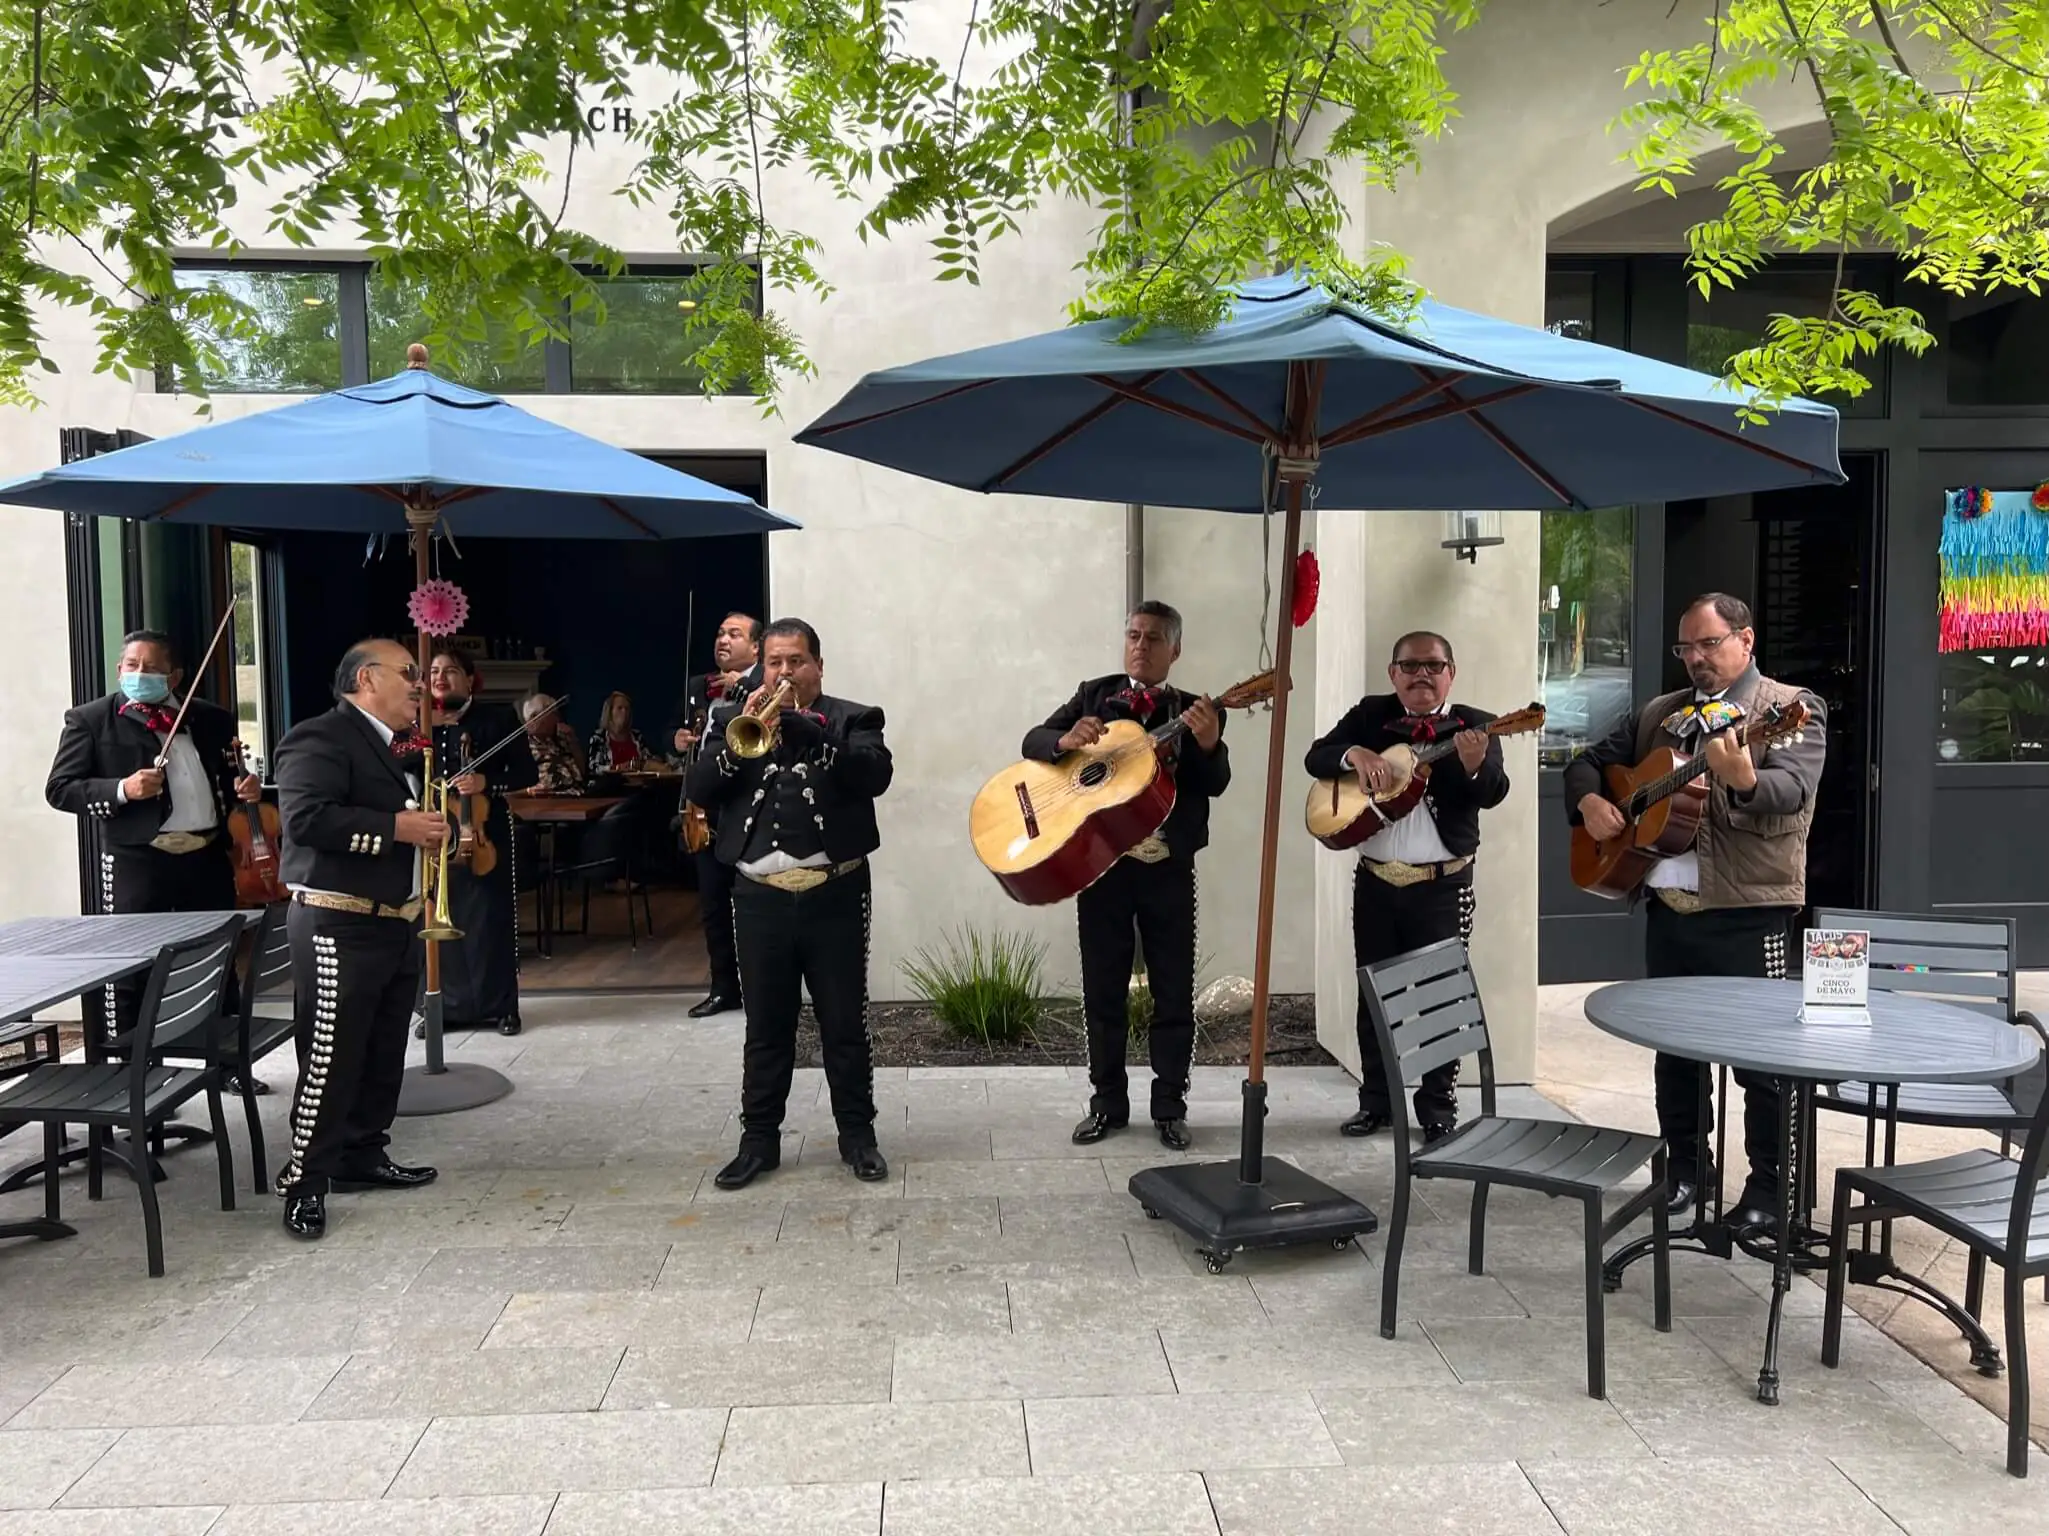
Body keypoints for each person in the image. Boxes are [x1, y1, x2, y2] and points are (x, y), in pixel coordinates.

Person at [1563, 592, 1827, 1231]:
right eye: (1688, 647)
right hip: (1670, 911)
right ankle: (1685, 1172)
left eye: (1710, 644)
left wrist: (1742, 779)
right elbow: (1587, 761)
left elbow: (1793, 790)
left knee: (1762, 1063)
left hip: (1747, 913)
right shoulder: (1661, 712)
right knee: (1674, 1054)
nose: (1698, 659)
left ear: (1746, 640)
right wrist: (1590, 805)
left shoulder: (1789, 709)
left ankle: (1771, 1191)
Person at [687, 617, 891, 1190]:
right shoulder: (732, 718)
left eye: (795, 662)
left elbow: (876, 775)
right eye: (774, 662)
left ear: (818, 667)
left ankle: (858, 1137)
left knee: (844, 1023)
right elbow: (700, 789)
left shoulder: (854, 717)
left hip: (835, 895)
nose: (784, 673)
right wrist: (737, 738)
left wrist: (814, 734)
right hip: (759, 898)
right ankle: (759, 1142)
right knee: (766, 1027)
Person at [1023, 600, 1227, 1152]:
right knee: (1103, 991)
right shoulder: (1094, 693)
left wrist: (1207, 743)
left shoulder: (1196, 708)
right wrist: (1066, 741)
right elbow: (1034, 741)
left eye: (1155, 638)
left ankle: (1169, 1107)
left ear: (1175, 650)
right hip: (1103, 869)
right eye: (1134, 635)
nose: (1141, 645)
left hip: (1167, 869)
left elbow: (1215, 781)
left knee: (1173, 991)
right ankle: (1107, 1104)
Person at [271, 639, 451, 1240]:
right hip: (337, 920)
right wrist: (396, 828)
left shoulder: (394, 745)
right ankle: (305, 1180)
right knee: (330, 1057)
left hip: (393, 919)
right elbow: (305, 820)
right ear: (367, 679)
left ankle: (363, 1153)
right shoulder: (319, 736)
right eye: (409, 673)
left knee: (379, 1051)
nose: (421, 684)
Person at [1304, 630, 1509, 1142]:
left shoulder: (1477, 725)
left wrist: (1472, 764)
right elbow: (1317, 756)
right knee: (1373, 998)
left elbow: (1493, 793)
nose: (1422, 674)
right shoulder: (1371, 716)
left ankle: (1437, 1109)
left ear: (1451, 674)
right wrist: (1356, 754)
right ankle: (1377, 1102)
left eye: (1434, 666)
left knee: (1442, 1001)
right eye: (1411, 665)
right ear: (1393, 673)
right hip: (1375, 883)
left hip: (1442, 886)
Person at [45, 628, 268, 1093]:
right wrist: (122, 789)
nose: (140, 674)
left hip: (205, 854)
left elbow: (230, 777)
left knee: (218, 958)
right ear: (119, 669)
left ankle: (226, 1065)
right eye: (133, 666)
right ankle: (132, 1078)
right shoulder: (91, 720)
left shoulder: (211, 719)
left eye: (152, 667)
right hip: (139, 860)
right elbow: (61, 789)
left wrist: (246, 789)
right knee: (130, 969)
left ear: (176, 674)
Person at [423, 647, 537, 1037]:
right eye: (434, 671)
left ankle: (503, 1007)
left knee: (492, 917)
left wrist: (486, 782)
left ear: (470, 680)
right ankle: (445, 1007)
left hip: (487, 830)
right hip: (438, 834)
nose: (440, 677)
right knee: (441, 918)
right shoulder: (421, 724)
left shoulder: (497, 716)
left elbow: (526, 770)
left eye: (450, 671)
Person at [670, 611, 763, 1018]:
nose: (723, 640)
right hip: (701, 812)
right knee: (712, 906)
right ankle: (724, 988)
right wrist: (675, 740)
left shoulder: (763, 683)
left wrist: (741, 689)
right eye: (720, 633)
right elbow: (671, 731)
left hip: (744, 811)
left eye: (734, 634)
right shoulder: (698, 686)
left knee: (751, 904)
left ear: (756, 647)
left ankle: (761, 988)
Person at [522, 693, 586, 793]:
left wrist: (573, 742)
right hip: (551, 800)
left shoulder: (561, 737)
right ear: (535, 717)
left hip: (578, 793)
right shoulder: (524, 744)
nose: (557, 719)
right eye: (553, 714)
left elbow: (583, 772)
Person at [588, 691, 651, 772]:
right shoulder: (599, 737)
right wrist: (617, 768)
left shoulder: (637, 736)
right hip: (609, 782)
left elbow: (648, 759)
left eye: (627, 709)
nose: (624, 712)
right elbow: (593, 767)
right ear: (610, 712)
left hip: (637, 781)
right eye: (620, 708)